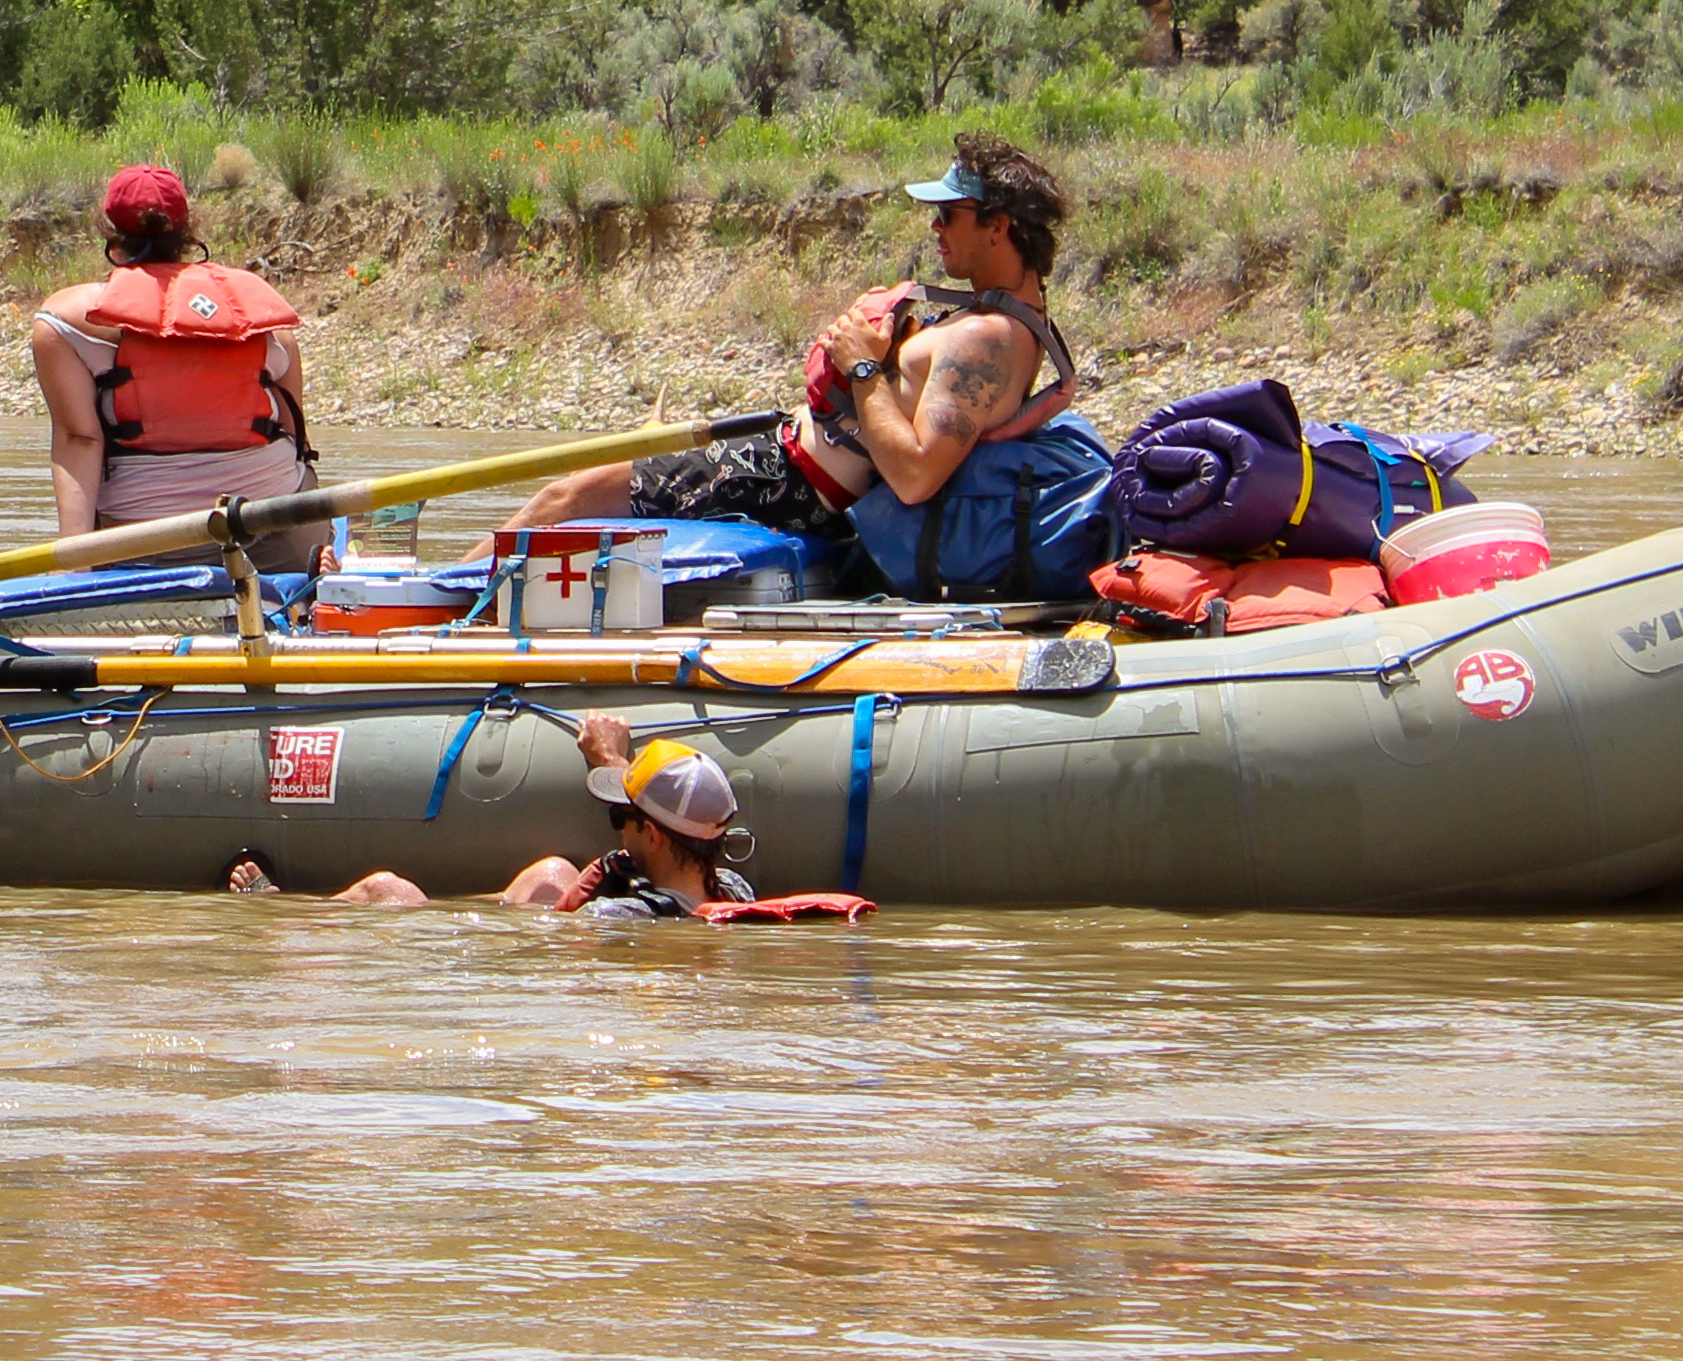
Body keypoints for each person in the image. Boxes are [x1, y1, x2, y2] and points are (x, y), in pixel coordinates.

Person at [803, 136, 1111, 603]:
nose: (935, 226)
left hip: (796, 489)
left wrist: (862, 367)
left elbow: (915, 476)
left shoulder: (984, 339)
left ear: (997, 227)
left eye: (949, 214)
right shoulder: (1006, 318)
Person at [232, 716, 873, 919]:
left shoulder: (616, 915)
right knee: (548, 872)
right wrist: (615, 764)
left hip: (494, 966)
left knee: (386, 890)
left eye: (622, 816)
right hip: (547, 934)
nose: (614, 825)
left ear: (649, 832)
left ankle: (278, 913)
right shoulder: (732, 890)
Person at [28, 162, 325, 574]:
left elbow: (81, 440)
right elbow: (293, 436)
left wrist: (72, 568)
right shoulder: (259, 320)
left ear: (109, 231)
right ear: (187, 229)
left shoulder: (69, 323)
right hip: (274, 530)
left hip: (145, 540)